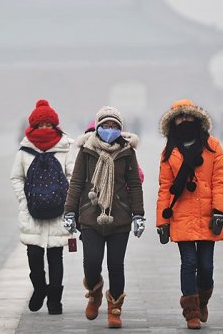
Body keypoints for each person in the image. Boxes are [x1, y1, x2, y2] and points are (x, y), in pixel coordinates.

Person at [64, 106, 145, 329]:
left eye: (114, 126)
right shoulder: (86, 151)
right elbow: (77, 183)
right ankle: (95, 291)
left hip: (119, 217)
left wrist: (139, 214)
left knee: (115, 265)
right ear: (98, 128)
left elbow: (135, 184)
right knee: (91, 263)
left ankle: (115, 308)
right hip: (90, 216)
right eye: (106, 126)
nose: (110, 130)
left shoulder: (127, 152)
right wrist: (69, 211)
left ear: (120, 129)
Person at [156, 99, 223, 330]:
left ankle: (203, 299)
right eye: (180, 117)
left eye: (188, 116)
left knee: (206, 266)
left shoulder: (213, 146)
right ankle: (191, 312)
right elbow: (164, 186)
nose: (184, 121)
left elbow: (220, 180)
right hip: (182, 214)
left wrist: (219, 211)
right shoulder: (169, 151)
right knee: (188, 262)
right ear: (173, 121)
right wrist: (162, 221)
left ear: (197, 119)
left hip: (208, 214)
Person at [10, 99, 76, 315]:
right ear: (33, 126)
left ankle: (55, 301)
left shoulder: (66, 147)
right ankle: (40, 288)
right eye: (41, 125)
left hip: (58, 211)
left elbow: (72, 176)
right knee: (34, 258)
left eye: (49, 124)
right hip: (32, 213)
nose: (45, 128)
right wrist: (24, 199)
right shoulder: (24, 150)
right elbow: (16, 178)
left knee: (56, 257)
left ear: (55, 125)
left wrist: (65, 201)